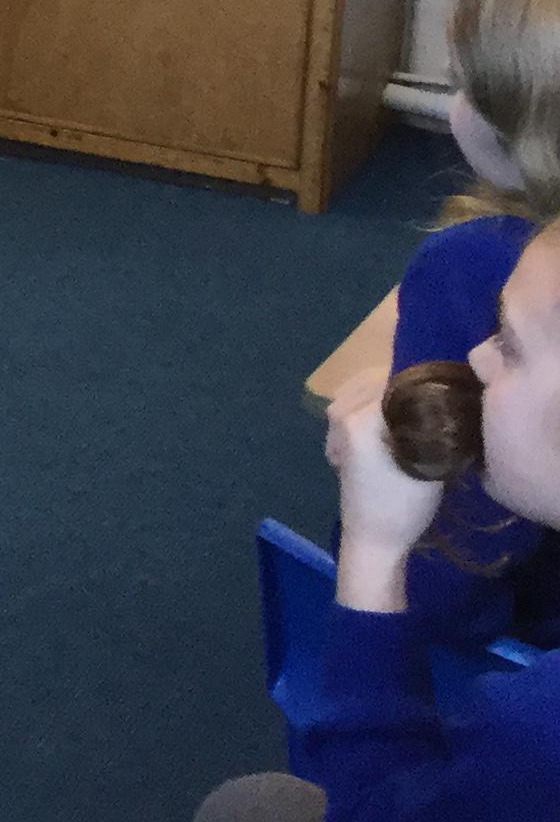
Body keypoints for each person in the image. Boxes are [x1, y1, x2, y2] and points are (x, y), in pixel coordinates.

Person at [194, 221, 560, 818]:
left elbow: (369, 805)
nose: (477, 356)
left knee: (243, 805)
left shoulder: (537, 732)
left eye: (511, 346)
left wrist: (374, 549)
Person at [390, 0, 560, 653]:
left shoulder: (469, 265)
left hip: (514, 640)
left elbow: (447, 507)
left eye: (460, 85)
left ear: (509, 129)